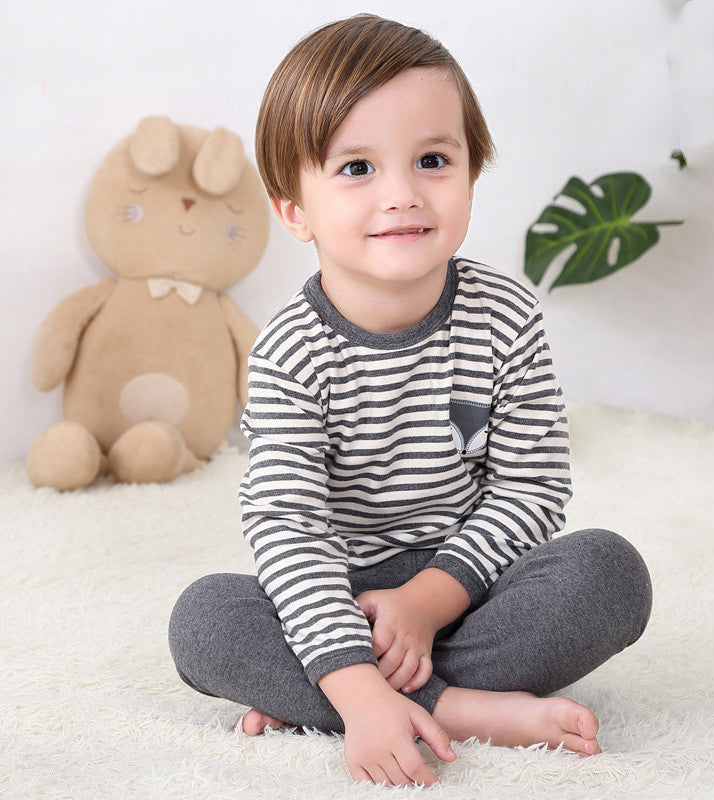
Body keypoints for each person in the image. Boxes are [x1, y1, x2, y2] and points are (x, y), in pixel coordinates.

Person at [168, 14, 652, 788]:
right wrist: (357, 679)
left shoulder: (505, 317)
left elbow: (534, 487)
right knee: (204, 622)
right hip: (334, 588)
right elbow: (290, 526)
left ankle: (333, 697)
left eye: (432, 159)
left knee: (609, 572)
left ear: (469, 173)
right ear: (294, 208)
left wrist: (429, 602)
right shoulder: (290, 352)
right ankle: (449, 706)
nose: (402, 195)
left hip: (466, 585)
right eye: (356, 168)